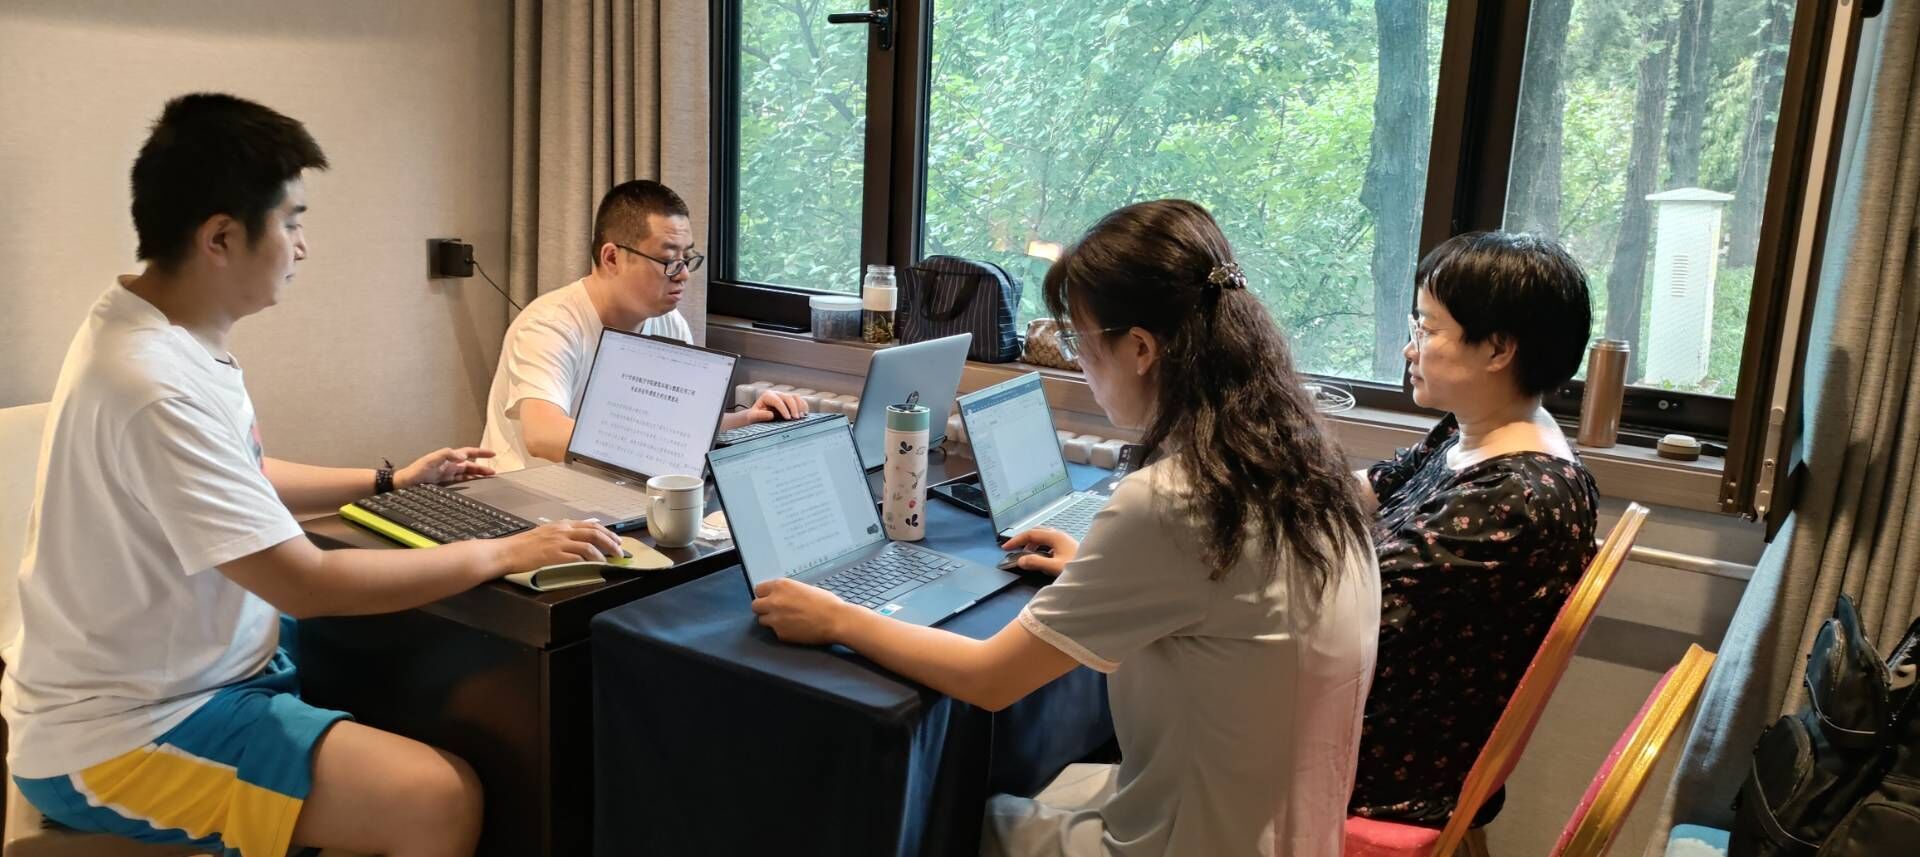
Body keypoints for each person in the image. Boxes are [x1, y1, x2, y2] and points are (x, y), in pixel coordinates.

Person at [1, 93, 623, 857]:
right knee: (439, 797)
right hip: (124, 735)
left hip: (202, 672)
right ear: (221, 238)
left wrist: (388, 482)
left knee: (412, 681)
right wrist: (506, 550)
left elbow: (245, 472)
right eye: (292, 222)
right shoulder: (151, 382)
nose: (304, 246)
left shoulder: (153, 324)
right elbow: (305, 581)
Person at [751, 199, 1379, 857]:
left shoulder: (1175, 499)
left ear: (1141, 348)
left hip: (1193, 839)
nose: (1080, 363)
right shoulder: (1310, 473)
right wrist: (1096, 569)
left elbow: (990, 677)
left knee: (950, 815)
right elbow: (1224, 602)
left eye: (1081, 341)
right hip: (1291, 831)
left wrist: (837, 618)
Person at [1348, 231, 1601, 825]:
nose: (1409, 349)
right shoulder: (1477, 432)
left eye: (1426, 329)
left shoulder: (1514, 498)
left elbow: (1347, 617)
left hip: (1390, 768)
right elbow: (1374, 486)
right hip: (1374, 714)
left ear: (1497, 349)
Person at [478, 179, 805, 471]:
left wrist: (748, 419)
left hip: (606, 491)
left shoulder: (669, 323)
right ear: (612, 258)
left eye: (687, 258)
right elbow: (542, 435)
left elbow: (681, 427)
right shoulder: (549, 326)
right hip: (528, 498)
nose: (683, 274)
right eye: (668, 260)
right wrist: (649, 447)